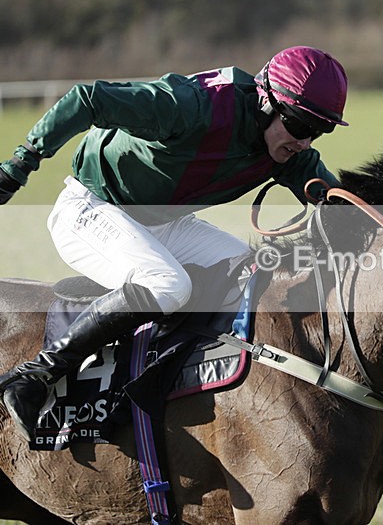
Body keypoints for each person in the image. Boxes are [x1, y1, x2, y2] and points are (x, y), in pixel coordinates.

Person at [0, 45, 348, 441]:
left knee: (248, 268)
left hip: (163, 223)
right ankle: (36, 376)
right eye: (301, 126)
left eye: (319, 131)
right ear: (267, 102)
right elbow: (87, 99)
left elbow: (343, 206)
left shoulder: (287, 151)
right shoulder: (191, 106)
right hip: (91, 207)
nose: (305, 142)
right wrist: (17, 167)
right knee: (169, 284)